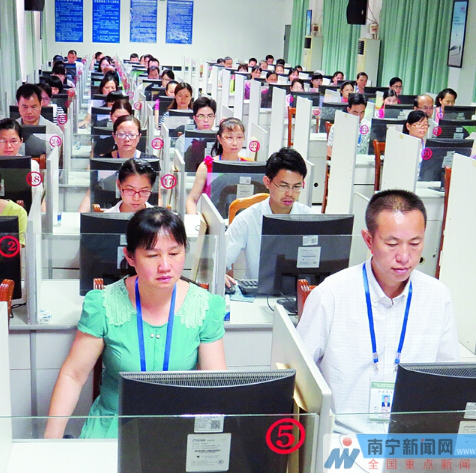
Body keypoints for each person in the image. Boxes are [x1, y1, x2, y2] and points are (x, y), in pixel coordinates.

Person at [44, 207, 227, 439]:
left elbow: (215, 386)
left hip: (178, 426)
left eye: (174, 253)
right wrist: (51, 441)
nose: (165, 266)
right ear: (130, 257)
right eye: (152, 256)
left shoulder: (206, 307)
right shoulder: (103, 304)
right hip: (115, 423)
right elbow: (73, 375)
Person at [297, 190, 460, 431]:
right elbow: (299, 378)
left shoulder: (437, 297)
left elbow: (448, 377)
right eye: (392, 244)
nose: (404, 256)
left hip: (410, 437)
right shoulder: (331, 295)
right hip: (344, 435)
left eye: (415, 243)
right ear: (368, 240)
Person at [224, 148, 311, 283]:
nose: (290, 193)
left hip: (300, 291)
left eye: (296, 187)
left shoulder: (310, 219)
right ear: (267, 182)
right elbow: (220, 261)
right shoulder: (246, 219)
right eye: (283, 186)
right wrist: (219, 274)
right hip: (256, 292)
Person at [79, 116, 156, 212]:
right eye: (121, 134)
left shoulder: (151, 162)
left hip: (144, 214)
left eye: (132, 135)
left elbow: (158, 199)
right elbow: (90, 194)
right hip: (108, 213)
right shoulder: (102, 162)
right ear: (114, 136)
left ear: (139, 137)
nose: (127, 139)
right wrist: (79, 217)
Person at [186, 118, 249, 214]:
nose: (235, 143)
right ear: (219, 139)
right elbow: (192, 200)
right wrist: (193, 218)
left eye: (239, 137)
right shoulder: (207, 166)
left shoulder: (248, 166)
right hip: (212, 218)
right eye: (229, 137)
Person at [15, 84, 63, 160]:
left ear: (41, 104)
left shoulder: (54, 131)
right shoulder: (10, 130)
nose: (29, 111)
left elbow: (59, 162)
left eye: (34, 107)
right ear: (18, 105)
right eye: (24, 107)